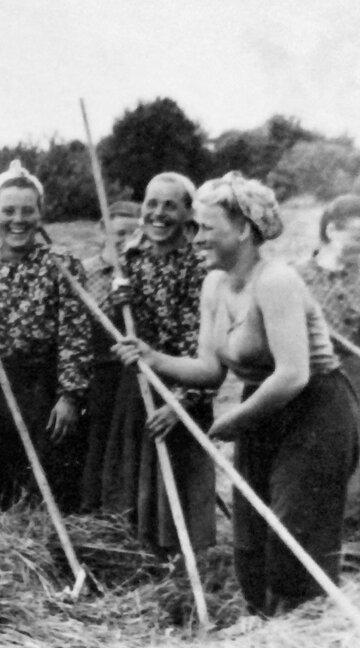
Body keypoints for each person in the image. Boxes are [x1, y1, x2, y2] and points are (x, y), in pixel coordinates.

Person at [115, 172, 359, 617]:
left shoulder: (276, 281)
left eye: (206, 228)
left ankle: (304, 627)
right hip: (263, 406)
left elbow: (291, 375)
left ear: (244, 228)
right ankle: (264, 622)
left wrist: (233, 422)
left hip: (316, 410)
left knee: (295, 527)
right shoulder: (215, 284)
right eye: (195, 228)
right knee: (251, 535)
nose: (196, 238)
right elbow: (209, 371)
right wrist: (152, 357)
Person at [0, 160, 92, 511]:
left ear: (40, 215)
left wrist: (71, 397)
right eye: (9, 211)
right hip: (0, 384)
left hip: (47, 387)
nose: (18, 220)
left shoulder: (62, 264)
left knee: (47, 483)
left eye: (27, 211)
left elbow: (76, 335)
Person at [100, 174, 217, 555]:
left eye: (170, 205)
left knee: (177, 480)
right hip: (137, 387)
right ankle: (137, 554)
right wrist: (116, 303)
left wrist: (181, 404)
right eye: (151, 203)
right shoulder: (130, 260)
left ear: (188, 214)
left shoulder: (200, 269)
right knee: (136, 478)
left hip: (182, 391)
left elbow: (208, 351)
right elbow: (113, 328)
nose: (158, 213)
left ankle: (178, 559)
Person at [297, 194, 360, 526]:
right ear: (333, 230)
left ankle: (350, 522)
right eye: (358, 236)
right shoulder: (298, 276)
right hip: (310, 374)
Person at [78, 200, 139, 512]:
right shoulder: (83, 273)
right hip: (94, 369)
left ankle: (121, 507)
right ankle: (90, 505)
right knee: (94, 440)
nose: (124, 241)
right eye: (117, 233)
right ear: (102, 230)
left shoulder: (139, 273)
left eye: (131, 234)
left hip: (129, 369)